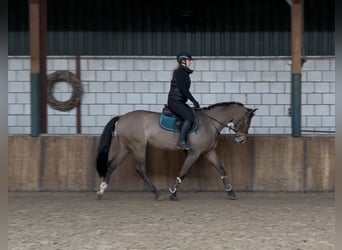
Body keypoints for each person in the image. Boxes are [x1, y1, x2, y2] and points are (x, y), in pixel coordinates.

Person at [167, 52, 200, 150]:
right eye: (189, 61)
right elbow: (184, 90)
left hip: (179, 101)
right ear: (183, 61)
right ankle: (181, 141)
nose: (190, 63)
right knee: (189, 117)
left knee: (193, 113)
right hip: (175, 102)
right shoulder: (180, 72)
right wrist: (194, 101)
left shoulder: (183, 72)